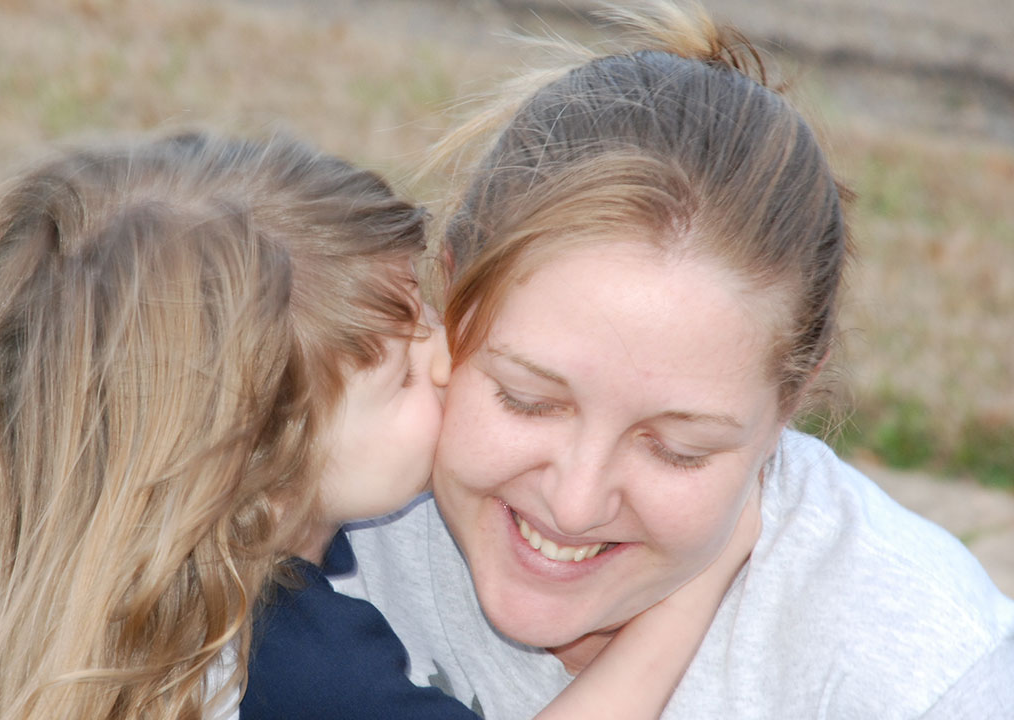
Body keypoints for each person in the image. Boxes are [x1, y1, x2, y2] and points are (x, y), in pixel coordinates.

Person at [0, 131, 742, 720]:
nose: (444, 355)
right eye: (398, 370)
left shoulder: (110, 610)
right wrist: (694, 586)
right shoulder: (284, 659)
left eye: (418, 305)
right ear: (261, 477)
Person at [334, 3, 1014, 718]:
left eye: (677, 450)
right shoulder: (316, 501)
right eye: (527, 399)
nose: (575, 501)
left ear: (791, 405)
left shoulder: (923, 673)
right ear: (449, 300)